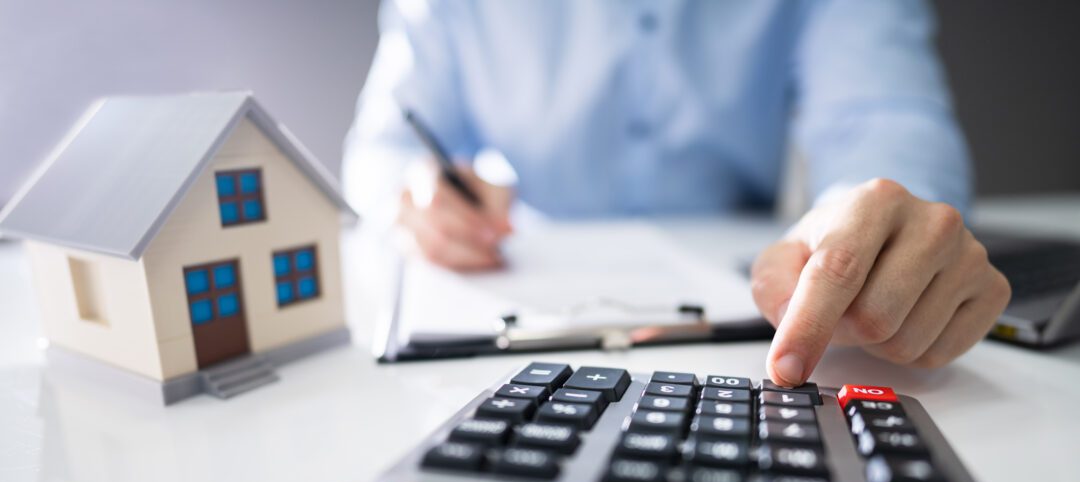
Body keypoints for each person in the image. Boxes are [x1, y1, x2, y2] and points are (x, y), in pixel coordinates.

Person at [342, 0, 1011, 387]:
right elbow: (382, 148)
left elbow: (885, 119)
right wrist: (412, 193)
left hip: (751, 310)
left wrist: (883, 230)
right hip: (514, 305)